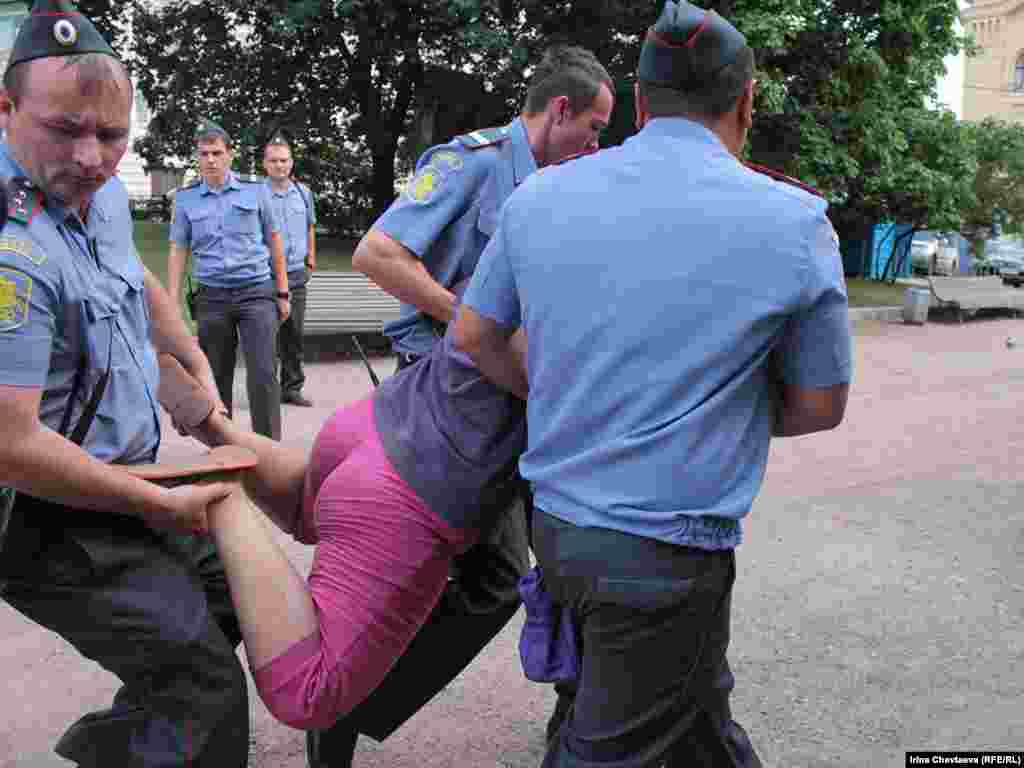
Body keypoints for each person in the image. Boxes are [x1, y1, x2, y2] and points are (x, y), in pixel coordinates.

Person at [454, 1, 853, 765]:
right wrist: (693, 404)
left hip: (559, 528)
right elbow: (818, 406)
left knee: (695, 720)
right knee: (610, 744)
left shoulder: (539, 196)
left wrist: (568, 392)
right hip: (665, 553)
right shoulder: (794, 222)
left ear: (639, 102)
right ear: (745, 101)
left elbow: (474, 336)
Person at [319, 44, 615, 765]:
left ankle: (576, 720)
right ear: (560, 111)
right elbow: (377, 254)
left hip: (526, 400)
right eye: (596, 127)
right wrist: (466, 321)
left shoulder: (560, 187)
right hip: (452, 401)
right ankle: (342, 709)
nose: (599, 144)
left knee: (571, 557)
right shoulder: (474, 162)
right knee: (481, 574)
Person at [0, 2, 249, 765]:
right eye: (67, 129)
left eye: (112, 134)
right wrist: (158, 504)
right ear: (5, 109)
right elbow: (11, 446)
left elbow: (134, 281)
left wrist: (196, 368)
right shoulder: (10, 247)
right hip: (41, 514)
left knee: (228, 600)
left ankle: (111, 750)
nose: (93, 156)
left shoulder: (100, 192)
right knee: (205, 686)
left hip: (123, 483)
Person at [153, 283, 528, 735]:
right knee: (310, 690)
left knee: (309, 506)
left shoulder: (529, 216)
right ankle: (224, 496)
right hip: (415, 484)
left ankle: (216, 429)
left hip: (379, 419)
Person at [168, 119, 289, 440]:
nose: (210, 159)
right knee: (215, 378)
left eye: (216, 153)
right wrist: (171, 304)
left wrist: (283, 291)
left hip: (256, 292)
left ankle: (268, 449)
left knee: (263, 373)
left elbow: (274, 240)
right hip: (212, 297)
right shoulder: (185, 199)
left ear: (229, 155)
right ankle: (224, 449)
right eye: (204, 153)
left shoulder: (256, 190)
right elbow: (178, 251)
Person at [263, 133, 317, 407]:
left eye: (284, 160)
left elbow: (310, 226)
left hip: (297, 272)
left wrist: (311, 260)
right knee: (267, 334)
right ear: (265, 164)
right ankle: (267, 388)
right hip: (266, 275)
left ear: (291, 162)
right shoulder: (256, 194)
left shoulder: (303, 193)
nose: (279, 166)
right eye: (274, 161)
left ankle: (292, 387)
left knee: (293, 334)